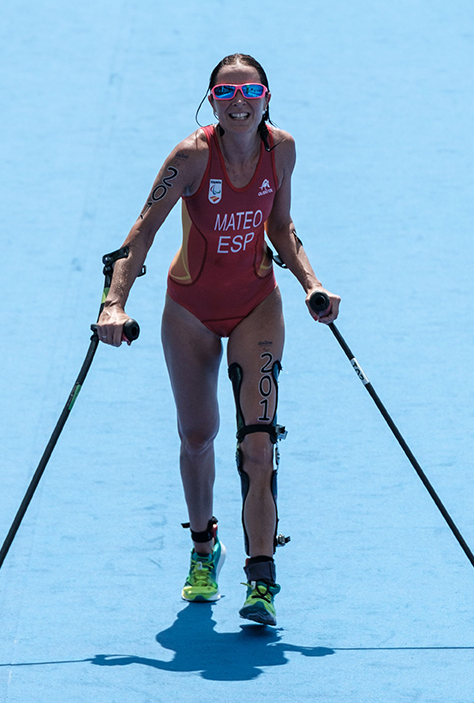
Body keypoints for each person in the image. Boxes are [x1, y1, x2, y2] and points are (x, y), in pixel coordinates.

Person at [96, 53, 340, 626]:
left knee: (258, 441)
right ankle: (204, 551)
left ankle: (262, 580)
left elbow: (280, 227)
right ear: (210, 102)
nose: (238, 102)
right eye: (224, 93)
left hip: (257, 306)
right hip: (191, 314)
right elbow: (142, 232)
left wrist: (312, 284)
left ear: (266, 97)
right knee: (198, 435)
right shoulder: (190, 158)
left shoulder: (283, 151)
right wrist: (113, 302)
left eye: (249, 91)